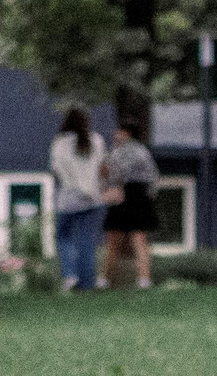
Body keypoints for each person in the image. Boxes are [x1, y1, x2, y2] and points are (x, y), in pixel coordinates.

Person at [49, 106, 108, 292]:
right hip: (92, 198)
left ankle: (70, 274)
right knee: (87, 242)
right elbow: (103, 170)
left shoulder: (60, 143)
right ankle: (87, 284)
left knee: (62, 236)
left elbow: (56, 171)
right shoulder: (97, 141)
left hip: (68, 198)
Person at [103, 117, 161, 290]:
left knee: (113, 241)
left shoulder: (118, 152)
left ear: (126, 133)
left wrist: (106, 190)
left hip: (124, 195)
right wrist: (149, 197)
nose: (116, 134)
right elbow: (154, 177)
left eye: (119, 131)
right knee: (139, 240)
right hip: (140, 197)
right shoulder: (143, 151)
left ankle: (105, 279)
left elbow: (113, 174)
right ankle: (144, 279)